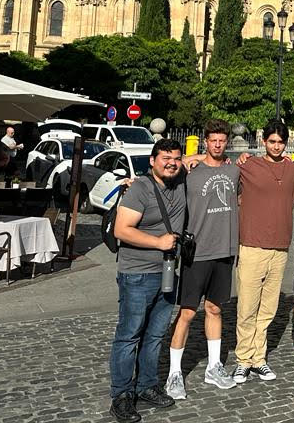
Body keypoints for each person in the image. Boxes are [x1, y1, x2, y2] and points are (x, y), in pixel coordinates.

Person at [109, 138, 185, 423]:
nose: (172, 163)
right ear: (152, 161)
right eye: (166, 158)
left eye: (176, 158)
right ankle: (121, 396)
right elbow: (121, 229)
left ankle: (147, 386)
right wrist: (158, 242)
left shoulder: (179, 181)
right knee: (129, 335)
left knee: (155, 335)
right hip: (137, 273)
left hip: (167, 271)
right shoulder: (140, 188)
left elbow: (205, 157)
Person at [165, 120, 238, 398]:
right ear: (206, 141)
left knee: (215, 309)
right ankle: (174, 373)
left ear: (227, 142)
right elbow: (163, 172)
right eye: (213, 140)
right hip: (196, 251)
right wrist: (187, 159)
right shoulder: (190, 172)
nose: (217, 145)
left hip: (225, 250)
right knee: (187, 312)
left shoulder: (234, 170)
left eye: (222, 140)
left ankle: (214, 367)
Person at [230, 120, 294, 384]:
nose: (276, 146)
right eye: (272, 142)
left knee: (268, 309)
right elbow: (218, 165)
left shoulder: (292, 169)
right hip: (251, 245)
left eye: (281, 142)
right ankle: (243, 360)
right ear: (263, 141)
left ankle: (258, 358)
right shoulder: (248, 165)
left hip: (280, 248)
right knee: (247, 307)